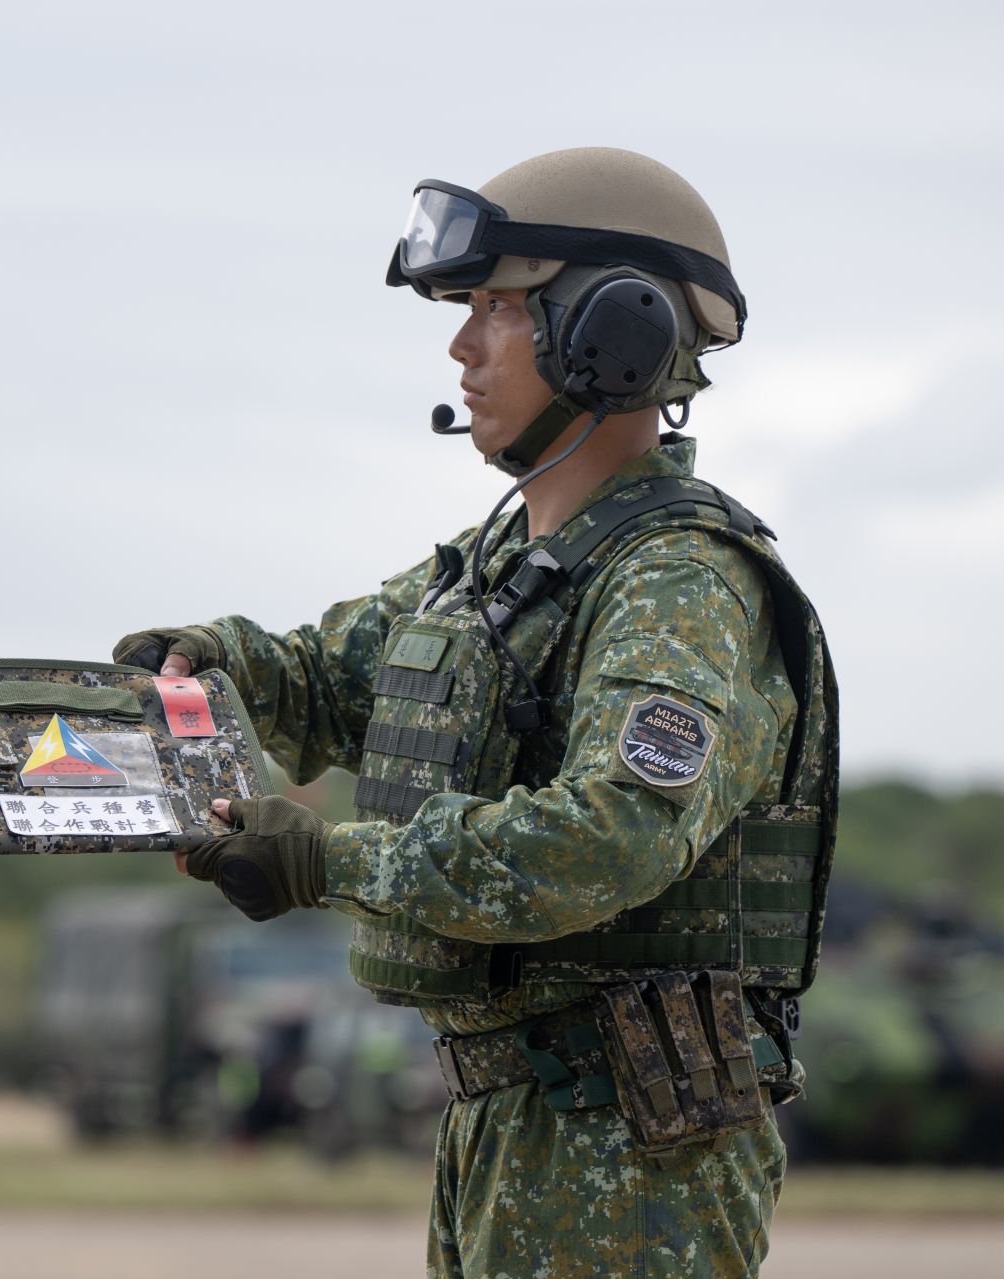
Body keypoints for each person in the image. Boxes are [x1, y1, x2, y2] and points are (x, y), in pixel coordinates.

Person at [115, 148, 837, 1277]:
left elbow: (606, 838)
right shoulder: (505, 563)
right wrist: (203, 667)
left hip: (624, 1146)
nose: (462, 346)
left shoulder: (680, 580)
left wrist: (329, 860)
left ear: (612, 333)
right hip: (512, 1113)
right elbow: (329, 676)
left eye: (499, 310)